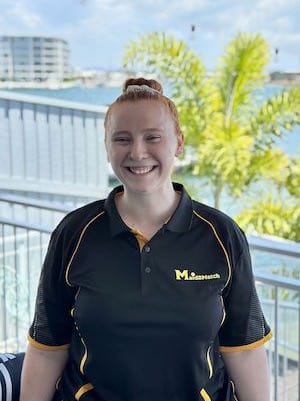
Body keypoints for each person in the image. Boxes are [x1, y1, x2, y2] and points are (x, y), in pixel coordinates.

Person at [20, 77, 272, 401]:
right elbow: (46, 349)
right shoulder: (75, 233)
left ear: (178, 143)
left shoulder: (221, 235)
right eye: (122, 139)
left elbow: (244, 350)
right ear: (108, 147)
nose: (137, 153)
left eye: (152, 137)